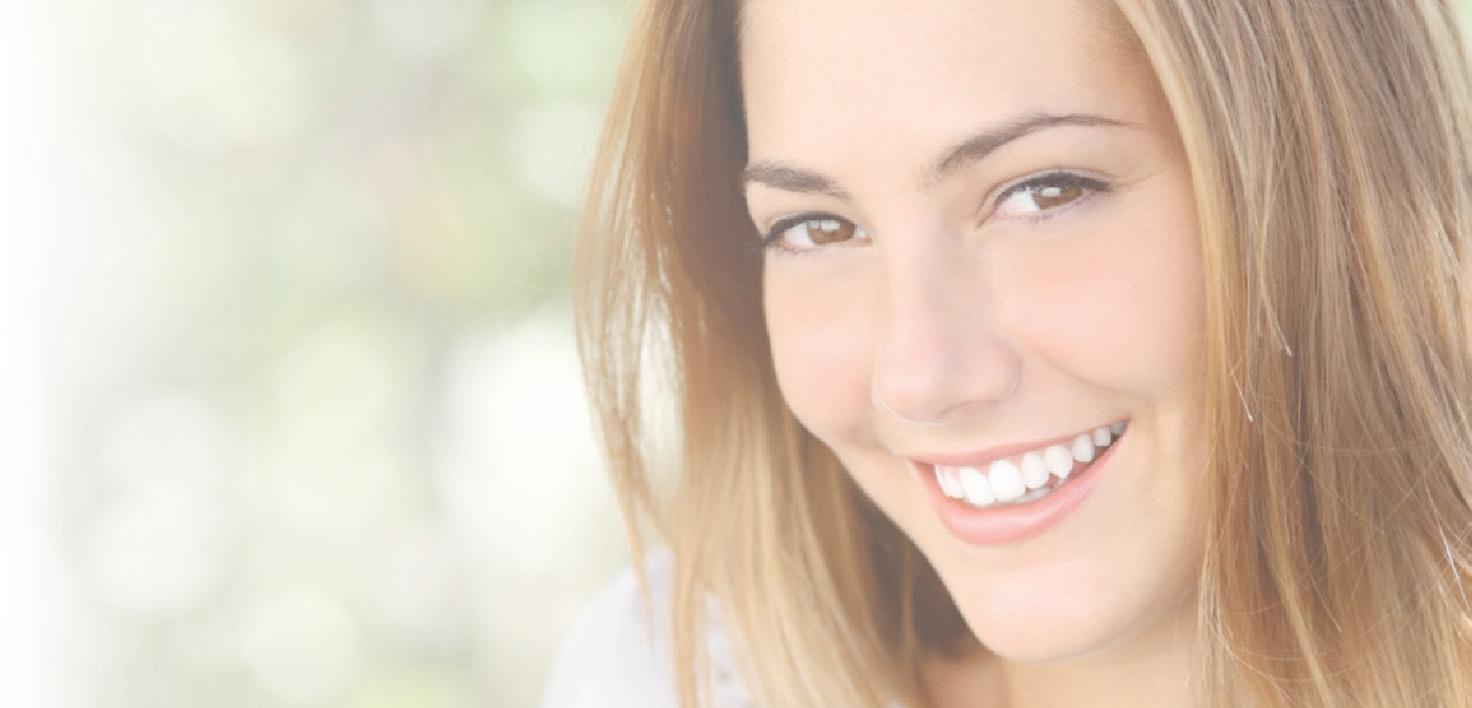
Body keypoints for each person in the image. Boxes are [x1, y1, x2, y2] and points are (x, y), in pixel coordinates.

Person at [547, 1, 1472, 706]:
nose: (919, 377)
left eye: (1045, 191)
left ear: (1328, 188)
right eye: (817, 228)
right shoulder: (667, 678)